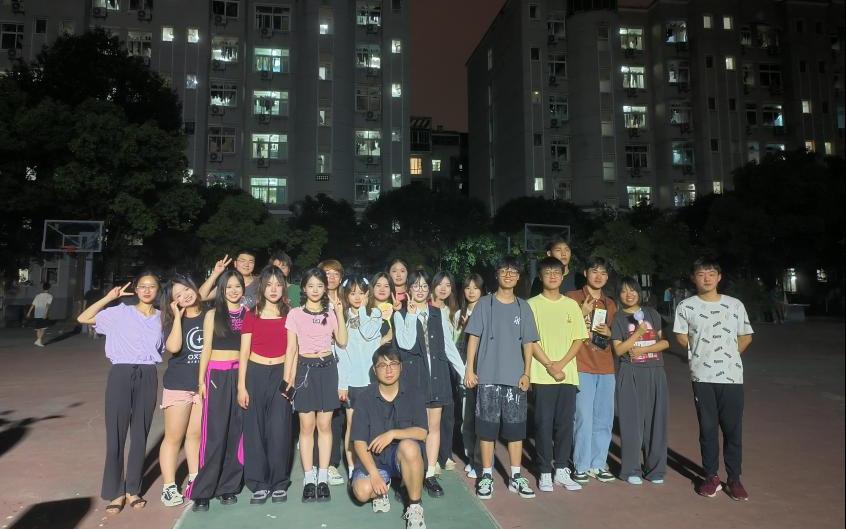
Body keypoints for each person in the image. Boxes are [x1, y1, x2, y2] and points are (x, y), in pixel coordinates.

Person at [77, 272, 163, 515]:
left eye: (152, 286)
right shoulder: (119, 312)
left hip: (148, 373)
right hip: (121, 373)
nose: (147, 290)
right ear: (135, 290)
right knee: (116, 433)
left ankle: (133, 489)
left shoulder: (162, 317)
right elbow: (83, 318)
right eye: (142, 286)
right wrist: (108, 298)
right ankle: (115, 491)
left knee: (140, 434)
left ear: (158, 290)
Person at [674, 259, 754, 501]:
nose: (706, 278)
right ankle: (711, 476)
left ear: (719, 277)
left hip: (731, 377)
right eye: (701, 274)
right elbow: (680, 336)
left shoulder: (735, 305)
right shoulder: (686, 306)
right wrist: (702, 354)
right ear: (693, 278)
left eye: (711, 273)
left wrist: (728, 356)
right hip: (702, 376)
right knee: (708, 429)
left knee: (732, 430)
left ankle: (734, 479)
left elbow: (746, 336)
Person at [464, 256, 539, 500]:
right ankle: (486, 475)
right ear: (496, 275)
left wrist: (527, 373)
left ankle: (516, 476)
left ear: (518, 277)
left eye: (513, 271)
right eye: (504, 271)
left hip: (515, 378)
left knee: (516, 430)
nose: (508, 275)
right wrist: (469, 369)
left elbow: (528, 343)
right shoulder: (484, 304)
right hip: (487, 377)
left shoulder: (523, 307)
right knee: (486, 429)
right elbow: (473, 337)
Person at [393, 269, 465, 498]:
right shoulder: (400, 314)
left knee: (434, 427)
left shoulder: (437, 313)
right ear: (409, 289)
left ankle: (430, 473)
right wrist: (411, 314)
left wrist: (464, 372)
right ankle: (410, 473)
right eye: (416, 286)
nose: (421, 290)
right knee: (416, 428)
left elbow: (448, 346)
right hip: (414, 379)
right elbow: (405, 343)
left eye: (424, 286)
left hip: (438, 377)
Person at [285, 268, 348, 502]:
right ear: (304, 288)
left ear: (325, 289)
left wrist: (339, 312)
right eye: (311, 285)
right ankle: (309, 478)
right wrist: (288, 380)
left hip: (327, 369)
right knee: (306, 426)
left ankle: (323, 477)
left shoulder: (331, 312)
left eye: (320, 286)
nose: (315, 290)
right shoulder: (294, 314)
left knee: (325, 425)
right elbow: (291, 349)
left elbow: (342, 341)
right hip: (304, 371)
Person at [528, 257, 588, 492]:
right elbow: (530, 340)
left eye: (556, 272)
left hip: (567, 375)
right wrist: (549, 365)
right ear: (540, 276)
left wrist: (560, 365)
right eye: (547, 272)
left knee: (564, 424)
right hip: (541, 375)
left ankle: (561, 469)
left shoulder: (571, 305)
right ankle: (544, 470)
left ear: (563, 275)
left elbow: (578, 339)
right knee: (543, 424)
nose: (552, 276)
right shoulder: (532, 305)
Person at [350, 345, 427, 529]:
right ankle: (383, 487)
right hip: (375, 460)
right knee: (362, 492)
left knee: (409, 446)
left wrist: (393, 434)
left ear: (401, 366)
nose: (389, 370)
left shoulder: (414, 393)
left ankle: (415, 507)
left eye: (393, 364)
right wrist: (374, 475)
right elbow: (359, 442)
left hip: (404, 458)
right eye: (382, 365)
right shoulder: (364, 398)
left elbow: (422, 432)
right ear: (374, 370)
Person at [191, 270, 247, 512]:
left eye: (237, 286)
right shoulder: (212, 314)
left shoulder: (248, 314)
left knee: (236, 432)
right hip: (216, 376)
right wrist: (201, 381)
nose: (233, 290)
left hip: (240, 376)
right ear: (222, 290)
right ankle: (203, 491)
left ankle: (228, 487)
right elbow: (206, 349)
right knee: (214, 435)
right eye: (229, 287)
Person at [237, 266, 293, 504]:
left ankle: (279, 482)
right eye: (268, 284)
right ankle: (258, 483)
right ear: (262, 288)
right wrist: (241, 386)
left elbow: (292, 350)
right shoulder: (252, 314)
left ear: (284, 287)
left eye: (278, 284)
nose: (273, 289)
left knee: (279, 429)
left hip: (280, 373)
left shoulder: (290, 314)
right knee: (255, 429)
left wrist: (289, 381)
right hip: (255, 374)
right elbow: (243, 352)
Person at [611, 277, 670, 486]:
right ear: (619, 295)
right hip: (630, 372)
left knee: (656, 421)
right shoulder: (618, 318)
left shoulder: (652, 314)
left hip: (655, 371)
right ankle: (631, 469)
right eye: (624, 291)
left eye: (633, 290)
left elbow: (664, 343)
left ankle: (655, 470)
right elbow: (619, 350)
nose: (629, 295)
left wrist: (644, 350)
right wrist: (638, 333)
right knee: (631, 422)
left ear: (639, 292)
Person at [566, 257, 617, 484]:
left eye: (603, 273)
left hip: (606, 367)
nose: (599, 276)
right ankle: (581, 465)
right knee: (583, 417)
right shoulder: (572, 298)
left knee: (604, 418)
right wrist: (581, 311)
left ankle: (598, 463)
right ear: (586, 273)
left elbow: (616, 335)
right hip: (581, 365)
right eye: (594, 271)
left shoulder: (610, 303)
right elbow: (563, 327)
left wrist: (610, 333)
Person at [158, 276, 205, 507]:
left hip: (202, 386)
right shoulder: (171, 320)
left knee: (195, 435)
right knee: (173, 438)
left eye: (186, 289)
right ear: (172, 301)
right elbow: (174, 347)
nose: (185, 295)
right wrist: (178, 317)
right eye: (178, 295)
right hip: (178, 385)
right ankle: (168, 486)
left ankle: (195, 478)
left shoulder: (209, 314)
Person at [335, 274, 385, 477]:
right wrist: (342, 383)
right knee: (352, 426)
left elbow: (368, 332)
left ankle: (374, 466)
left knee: (374, 425)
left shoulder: (375, 314)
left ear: (368, 294)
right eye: (353, 293)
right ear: (346, 295)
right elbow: (340, 352)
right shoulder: (342, 317)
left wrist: (363, 310)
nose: (357, 297)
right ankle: (353, 468)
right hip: (352, 382)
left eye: (362, 293)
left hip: (373, 380)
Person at [317, 259, 348, 486]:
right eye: (326, 273)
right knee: (329, 415)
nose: (331, 277)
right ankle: (328, 463)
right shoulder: (314, 301)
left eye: (335, 273)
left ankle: (353, 462)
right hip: (324, 363)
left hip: (350, 363)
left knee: (348, 416)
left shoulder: (348, 299)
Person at [429, 271, 460, 475]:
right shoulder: (425, 308)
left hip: (450, 366)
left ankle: (445, 454)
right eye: (439, 284)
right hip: (432, 365)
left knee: (448, 413)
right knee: (432, 414)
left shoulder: (452, 312)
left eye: (448, 285)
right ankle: (432, 458)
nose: (443, 288)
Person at [456, 274, 483, 479]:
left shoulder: (487, 312)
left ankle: (479, 460)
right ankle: (470, 457)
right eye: (467, 288)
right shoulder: (459, 314)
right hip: (465, 371)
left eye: (475, 287)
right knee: (467, 418)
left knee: (482, 418)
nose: (471, 292)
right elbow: (456, 344)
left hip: (484, 371)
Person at [27, 282, 53, 347]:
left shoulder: (37, 295)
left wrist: (29, 312)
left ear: (42, 288)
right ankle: (38, 341)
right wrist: (45, 314)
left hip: (37, 313)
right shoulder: (49, 296)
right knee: (43, 328)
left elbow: (33, 305)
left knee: (38, 328)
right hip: (43, 312)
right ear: (49, 288)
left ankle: (39, 341)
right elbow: (47, 305)